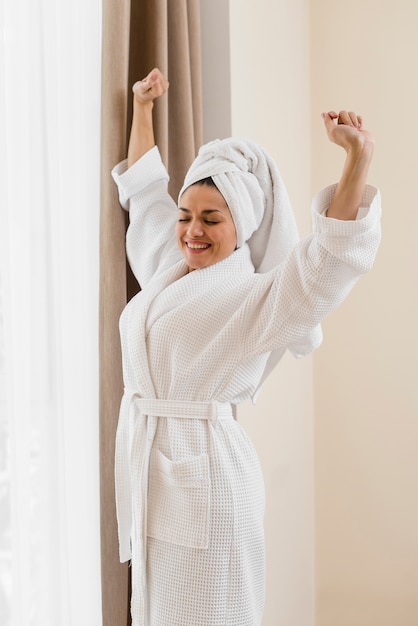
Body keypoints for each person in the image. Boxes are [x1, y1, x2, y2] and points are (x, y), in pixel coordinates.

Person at [112, 68, 381, 626]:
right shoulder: (170, 270)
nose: (192, 231)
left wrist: (357, 161)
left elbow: (322, 268)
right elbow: (145, 201)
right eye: (188, 217)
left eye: (212, 219)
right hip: (163, 475)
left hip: (210, 484)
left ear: (242, 226)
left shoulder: (250, 296)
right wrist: (142, 111)